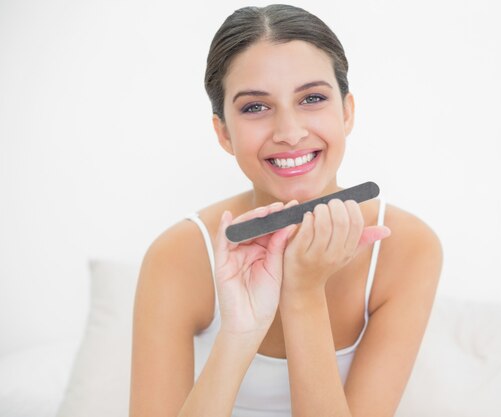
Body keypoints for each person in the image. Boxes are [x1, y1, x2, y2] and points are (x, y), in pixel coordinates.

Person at [129, 4, 442, 417]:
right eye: (255, 107)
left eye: (312, 98)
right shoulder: (178, 255)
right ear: (223, 132)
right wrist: (239, 333)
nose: (290, 133)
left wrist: (303, 291)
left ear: (346, 112)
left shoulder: (407, 247)